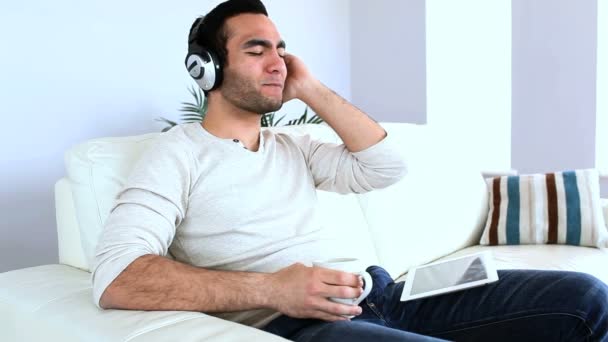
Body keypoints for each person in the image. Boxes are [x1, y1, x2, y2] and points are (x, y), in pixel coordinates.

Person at [92, 0, 608, 340]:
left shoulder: (290, 144)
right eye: (256, 50)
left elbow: (386, 166)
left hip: (382, 292)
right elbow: (117, 277)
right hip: (301, 321)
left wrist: (309, 89)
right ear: (206, 67)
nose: (279, 63)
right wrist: (270, 291)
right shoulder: (176, 154)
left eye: (281, 49)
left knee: (588, 298)